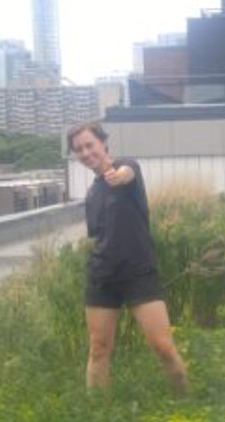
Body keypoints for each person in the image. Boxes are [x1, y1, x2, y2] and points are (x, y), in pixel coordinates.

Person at [67, 120, 189, 394]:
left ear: (103, 143)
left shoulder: (126, 167)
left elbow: (127, 172)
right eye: (79, 149)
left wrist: (119, 175)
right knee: (98, 349)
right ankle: (97, 416)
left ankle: (187, 402)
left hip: (138, 273)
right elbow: (98, 236)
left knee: (163, 347)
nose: (86, 153)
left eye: (90, 145)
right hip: (102, 278)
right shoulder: (92, 193)